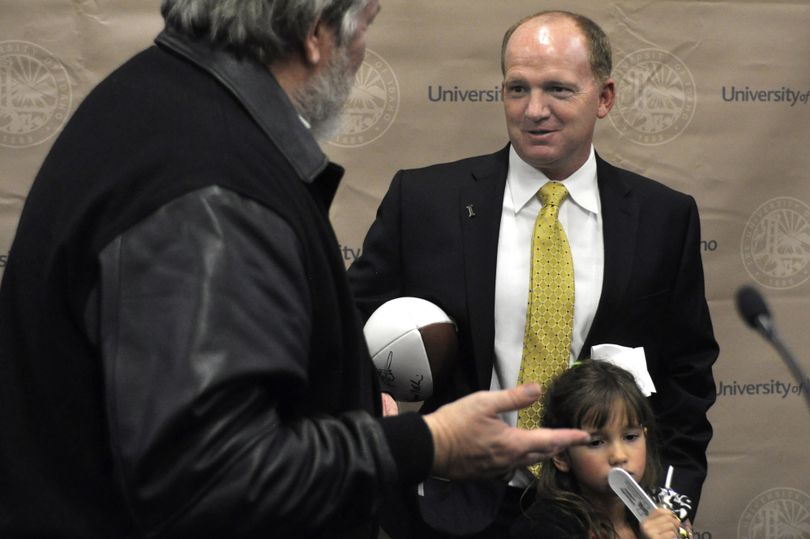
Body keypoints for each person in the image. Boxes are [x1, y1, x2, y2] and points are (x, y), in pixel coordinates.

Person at [0, 2, 590, 538]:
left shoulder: (151, 106)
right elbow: (214, 478)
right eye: (364, 28)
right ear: (314, 34)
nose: (361, 56)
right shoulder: (211, 184)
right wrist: (424, 443)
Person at [348, 9, 718, 538]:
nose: (534, 110)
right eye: (517, 88)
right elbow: (342, 330)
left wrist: (667, 510)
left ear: (605, 97)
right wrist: (372, 410)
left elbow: (687, 381)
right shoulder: (425, 202)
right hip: (447, 508)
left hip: (601, 518)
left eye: (558, 90)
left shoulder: (664, 218)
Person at [510, 360, 688, 539]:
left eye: (630, 437)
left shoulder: (664, 510)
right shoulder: (542, 528)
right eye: (596, 442)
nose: (619, 456)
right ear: (561, 455)